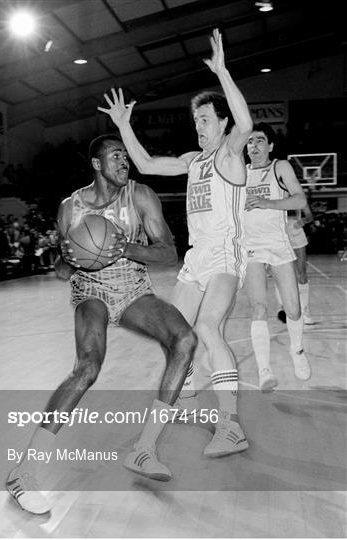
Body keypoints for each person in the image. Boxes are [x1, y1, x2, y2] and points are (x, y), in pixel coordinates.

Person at [6, 134, 197, 514]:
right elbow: (62, 270)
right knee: (87, 368)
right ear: (97, 164)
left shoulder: (141, 195)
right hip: (90, 290)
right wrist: (69, 258)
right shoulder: (69, 207)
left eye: (126, 156)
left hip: (133, 289)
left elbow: (169, 252)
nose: (124, 161)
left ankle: (144, 450)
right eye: (115, 156)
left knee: (185, 340)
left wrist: (125, 247)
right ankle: (23, 472)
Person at [98, 28, 252, 458]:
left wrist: (221, 72)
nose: (198, 126)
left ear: (220, 124)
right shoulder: (192, 161)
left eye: (204, 120)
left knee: (207, 327)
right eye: (196, 121)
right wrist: (125, 125)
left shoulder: (228, 155)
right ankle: (182, 401)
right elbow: (145, 162)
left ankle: (232, 427)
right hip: (196, 258)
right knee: (176, 335)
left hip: (225, 255)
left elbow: (246, 123)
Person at [243, 122, 312, 392]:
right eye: (250, 142)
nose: (254, 146)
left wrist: (268, 203)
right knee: (258, 307)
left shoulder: (279, 167)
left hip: (278, 243)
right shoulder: (239, 173)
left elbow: (299, 200)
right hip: (250, 246)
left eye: (260, 140)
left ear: (270, 146)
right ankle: (264, 370)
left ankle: (297, 351)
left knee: (293, 309)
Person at [276, 201, 315, 325]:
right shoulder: (277, 194)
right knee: (281, 274)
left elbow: (309, 216)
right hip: (280, 233)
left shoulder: (298, 196)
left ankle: (305, 310)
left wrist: (302, 221)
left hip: (296, 233)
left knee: (301, 274)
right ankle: (284, 308)